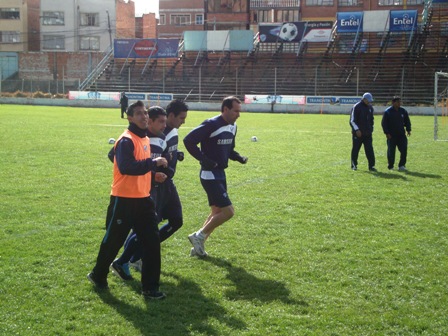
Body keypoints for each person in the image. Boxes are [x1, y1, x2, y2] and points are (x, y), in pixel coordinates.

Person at [87, 100, 168, 300]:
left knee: (152, 242)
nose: (144, 116)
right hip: (123, 201)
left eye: (145, 113)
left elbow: (127, 162)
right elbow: (126, 167)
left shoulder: (145, 138)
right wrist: (152, 163)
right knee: (113, 242)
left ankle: (150, 289)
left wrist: (151, 175)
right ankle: (98, 275)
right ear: (130, 117)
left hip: (143, 200)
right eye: (139, 113)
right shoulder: (126, 140)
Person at [111, 100, 189, 276]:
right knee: (146, 227)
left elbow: (163, 159)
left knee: (176, 220)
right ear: (150, 122)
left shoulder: (162, 136)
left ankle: (135, 255)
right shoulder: (138, 137)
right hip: (147, 188)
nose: (164, 125)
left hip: (166, 185)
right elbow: (115, 158)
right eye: (160, 121)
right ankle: (126, 260)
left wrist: (171, 162)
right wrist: (152, 175)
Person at [184, 96, 248, 258]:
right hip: (209, 174)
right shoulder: (211, 124)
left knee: (217, 211)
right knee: (228, 212)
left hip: (220, 173)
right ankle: (198, 236)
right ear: (225, 109)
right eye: (236, 111)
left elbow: (229, 149)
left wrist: (238, 157)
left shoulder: (233, 127)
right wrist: (204, 159)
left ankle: (198, 247)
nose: (238, 115)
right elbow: (189, 140)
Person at [381, 96, 412, 171]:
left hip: (401, 135)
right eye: (397, 102)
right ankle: (390, 166)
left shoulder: (403, 111)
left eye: (400, 102)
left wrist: (408, 129)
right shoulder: (388, 112)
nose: (399, 103)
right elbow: (384, 123)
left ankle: (401, 165)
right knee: (391, 151)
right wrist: (387, 133)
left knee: (404, 149)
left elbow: (407, 121)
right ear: (393, 102)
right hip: (391, 135)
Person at [349, 92, 377, 172]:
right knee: (355, 149)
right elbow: (352, 121)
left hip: (368, 134)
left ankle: (371, 166)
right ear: (364, 99)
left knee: (369, 150)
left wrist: (371, 129)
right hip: (358, 134)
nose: (369, 102)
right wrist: (357, 130)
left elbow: (371, 120)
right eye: (368, 100)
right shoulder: (356, 107)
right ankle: (354, 165)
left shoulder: (370, 108)